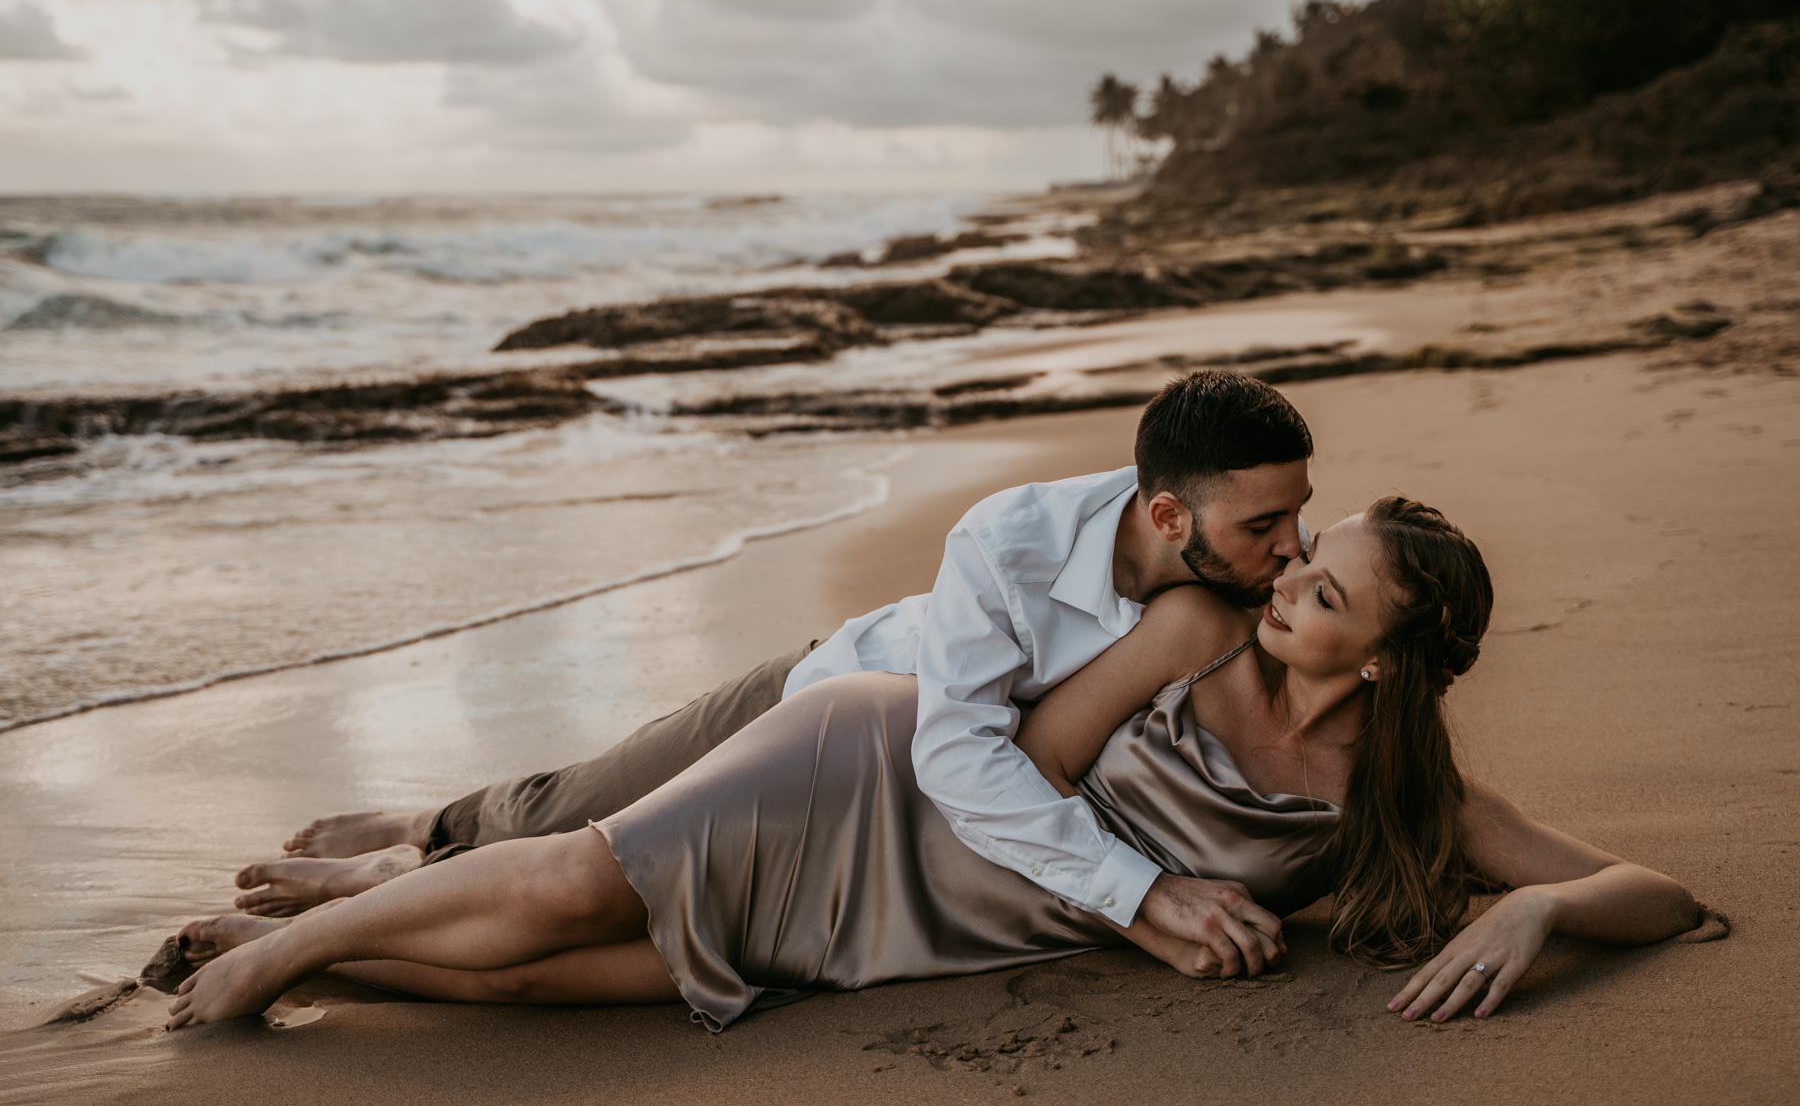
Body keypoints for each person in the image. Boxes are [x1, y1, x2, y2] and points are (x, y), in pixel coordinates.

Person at [170, 497, 1702, 1031]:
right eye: (1301, 557)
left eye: (1324, 589)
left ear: (1378, 655)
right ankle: (279, 955)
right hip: (882, 770)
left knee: (548, 983)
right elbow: (1025, 745)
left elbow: (1671, 897)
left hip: (932, 925)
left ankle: (299, 956)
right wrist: (1147, 897)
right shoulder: (1202, 631)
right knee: (580, 872)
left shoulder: (1400, 803)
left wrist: (1538, 912)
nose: (1287, 573)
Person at [231, 371, 1316, 958]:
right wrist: (1140, 896)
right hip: (814, 703)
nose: (1294, 551)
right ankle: (414, 839)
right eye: (1269, 525)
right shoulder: (1010, 540)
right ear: (1168, 514)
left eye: (1301, 517)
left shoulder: (1248, 572)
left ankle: (407, 869)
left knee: (603, 878)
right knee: (569, 813)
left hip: (875, 815)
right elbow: (963, 755)